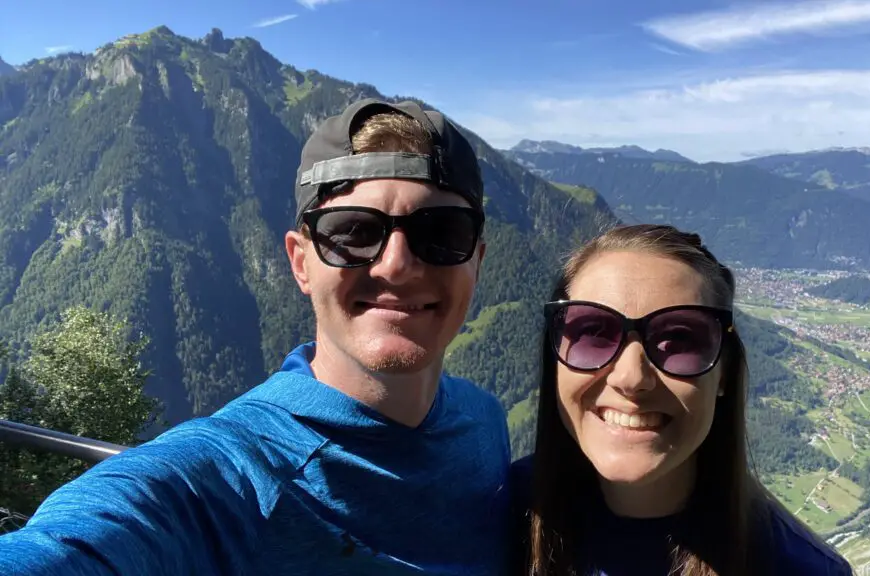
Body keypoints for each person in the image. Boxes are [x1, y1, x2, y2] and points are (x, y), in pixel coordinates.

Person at [0, 98, 511, 575]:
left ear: (478, 262)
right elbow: (75, 546)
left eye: (443, 232)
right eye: (354, 231)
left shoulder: (486, 423)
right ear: (300, 262)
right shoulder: (229, 475)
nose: (398, 265)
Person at [510, 224, 854, 576]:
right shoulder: (493, 515)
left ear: (724, 373)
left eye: (678, 341)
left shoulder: (800, 568)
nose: (631, 378)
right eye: (594, 333)